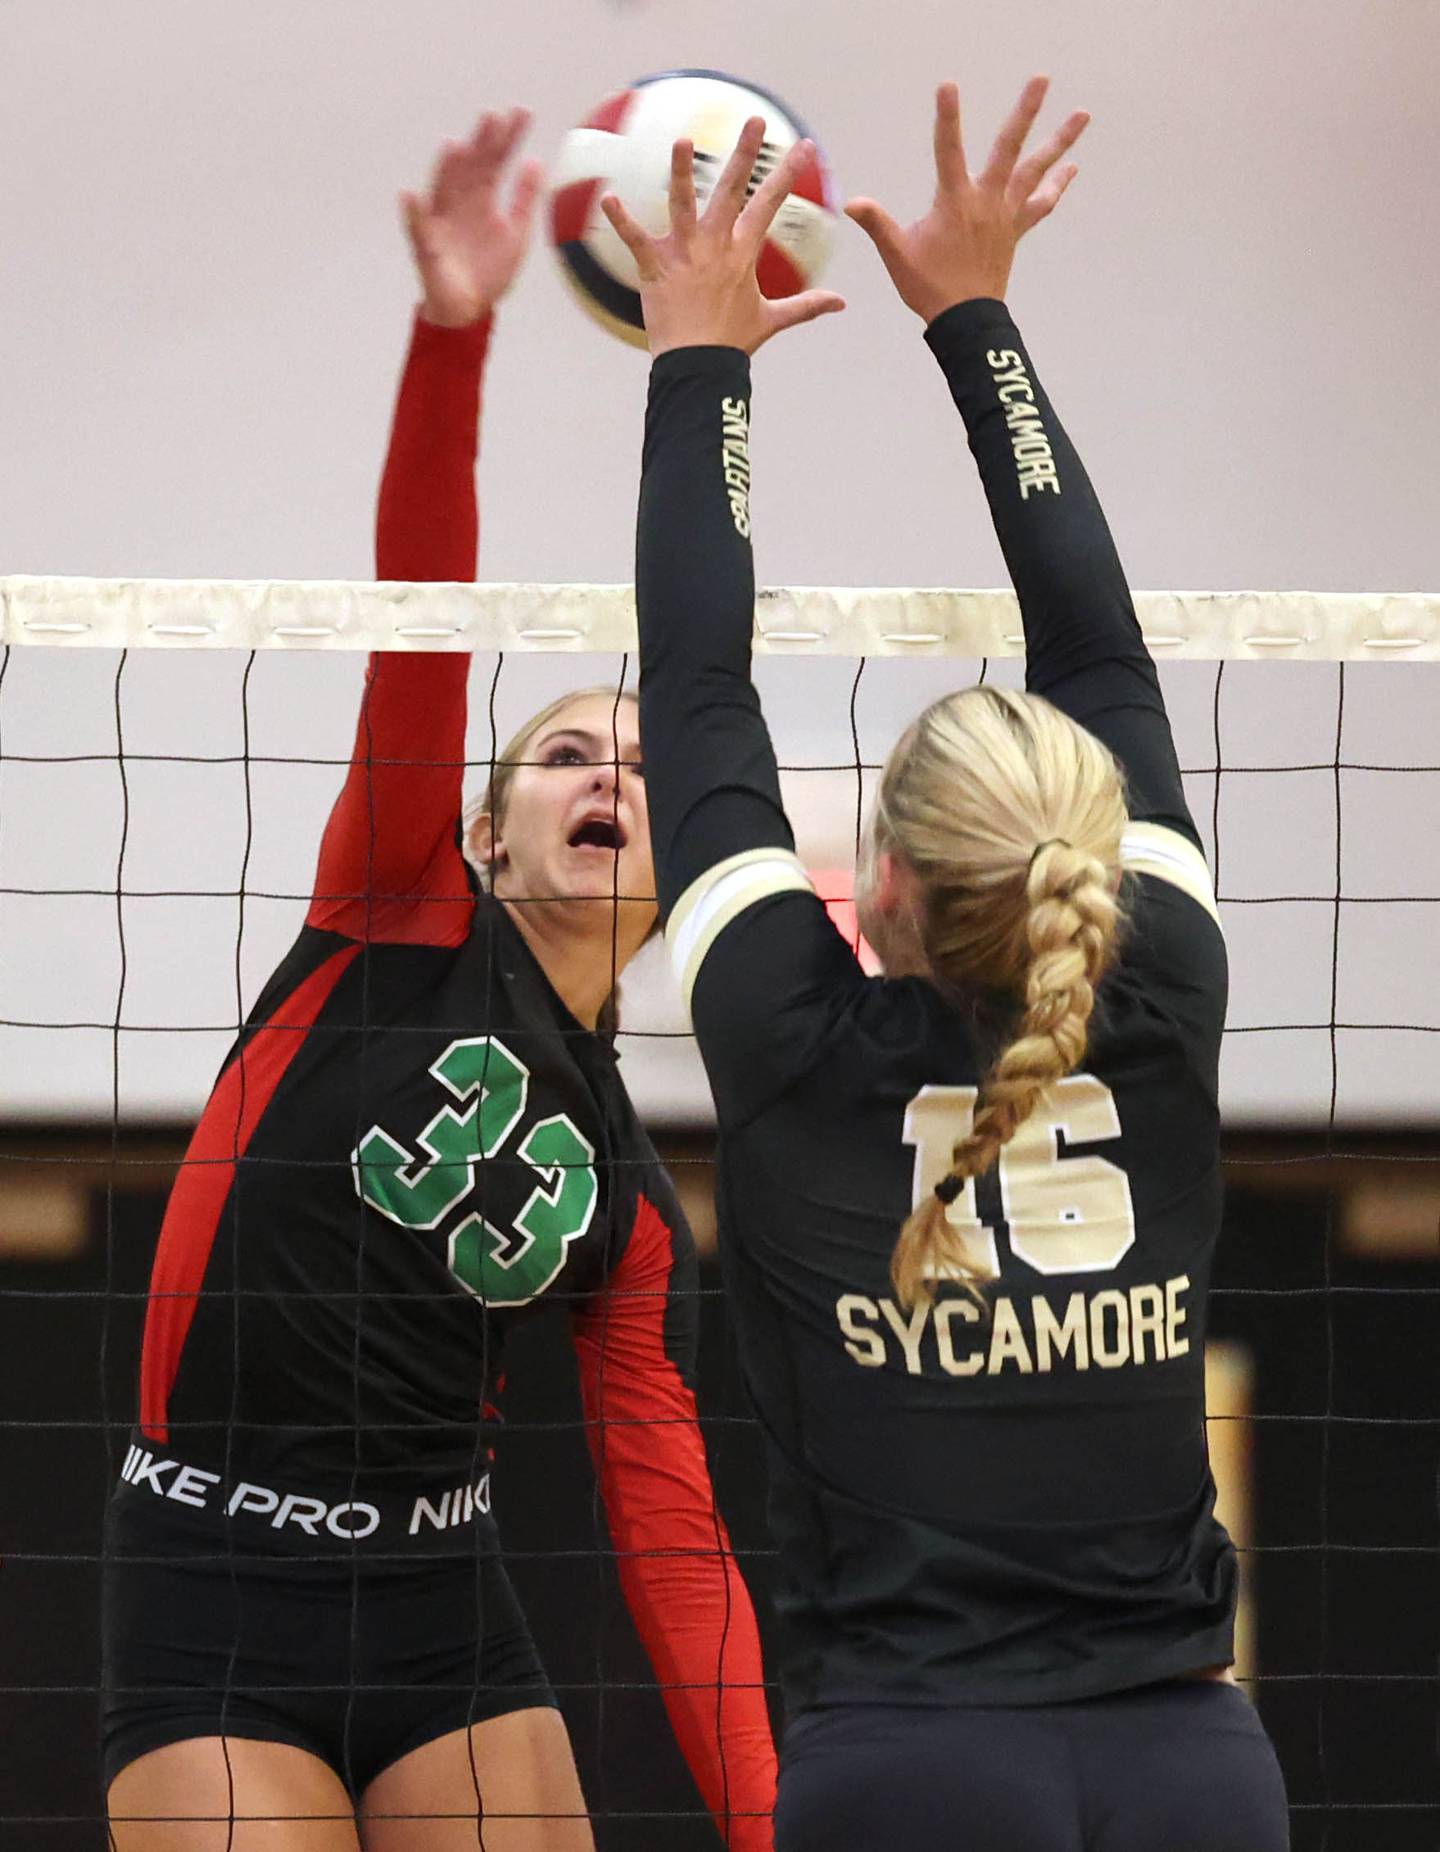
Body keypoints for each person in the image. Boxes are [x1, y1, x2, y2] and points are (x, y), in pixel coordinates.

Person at [605, 77, 1291, 1851]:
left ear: (876, 883)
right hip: (1198, 1773)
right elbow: (1102, 641)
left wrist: (703, 362)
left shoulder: (785, 1031)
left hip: (908, 1765)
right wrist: (974, 319)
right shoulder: (1164, 1000)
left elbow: (689, 686)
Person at [103, 110, 776, 1852]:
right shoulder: (397, 909)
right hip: (213, 1580)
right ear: (486, 832)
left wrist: (780, 1824)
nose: (606, 777)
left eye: (637, 762)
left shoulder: (627, 1205)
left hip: (445, 1608)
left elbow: (672, 1535)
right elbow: (424, 608)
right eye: (561, 751)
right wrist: (454, 330)